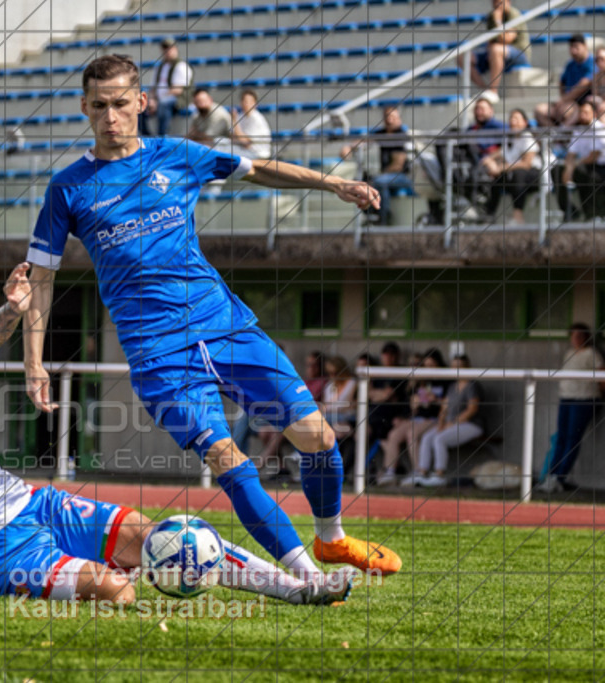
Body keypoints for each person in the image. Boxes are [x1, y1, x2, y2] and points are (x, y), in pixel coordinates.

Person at [23, 54, 401, 576]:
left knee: (320, 440)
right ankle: (308, 577)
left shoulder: (178, 155)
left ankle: (332, 540)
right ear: (85, 108)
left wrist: (332, 183)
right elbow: (41, 279)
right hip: (158, 353)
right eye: (99, 106)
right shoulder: (67, 188)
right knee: (230, 460)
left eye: (120, 104)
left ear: (142, 102)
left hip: (225, 326)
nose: (110, 116)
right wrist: (34, 363)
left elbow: (259, 169)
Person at [0, 266, 356, 604]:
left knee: (156, 536)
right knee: (116, 588)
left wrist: (14, 309)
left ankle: (300, 588)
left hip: (29, 503)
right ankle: (111, 576)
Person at [537, 323, 605, 493]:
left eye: (580, 336)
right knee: (561, 437)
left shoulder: (592, 354)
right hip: (566, 399)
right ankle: (551, 477)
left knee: (572, 439)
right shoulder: (569, 353)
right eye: (573, 335)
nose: (576, 339)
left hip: (584, 400)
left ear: (586, 337)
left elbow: (602, 376)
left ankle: (559, 478)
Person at [405, 355, 484, 487]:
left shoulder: (472, 385)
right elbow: (444, 408)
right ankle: (421, 473)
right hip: (450, 424)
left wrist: (451, 424)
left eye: (459, 367)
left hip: (471, 424)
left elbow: (472, 410)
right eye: (453, 367)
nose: (455, 370)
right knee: (427, 437)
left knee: (439, 439)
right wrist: (442, 423)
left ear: (467, 367)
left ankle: (439, 475)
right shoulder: (453, 386)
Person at [376, 348, 447, 486]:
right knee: (394, 435)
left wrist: (435, 400)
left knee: (411, 433)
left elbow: (449, 404)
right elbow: (413, 409)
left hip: (434, 419)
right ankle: (390, 471)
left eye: (432, 366)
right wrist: (414, 404)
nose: (428, 370)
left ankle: (418, 471)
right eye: (426, 366)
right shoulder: (422, 383)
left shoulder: (445, 381)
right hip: (417, 418)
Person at [341, 105, 413, 225]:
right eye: (387, 117)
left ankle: (383, 220)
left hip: (403, 177)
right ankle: (370, 214)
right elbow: (364, 141)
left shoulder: (401, 136)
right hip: (385, 176)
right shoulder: (382, 133)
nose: (389, 120)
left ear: (399, 119)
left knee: (379, 182)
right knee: (358, 182)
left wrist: (375, 178)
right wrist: (348, 147)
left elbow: (398, 166)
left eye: (393, 117)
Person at [459, 0, 530, 102]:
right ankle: (485, 90)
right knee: (462, 57)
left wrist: (498, 20)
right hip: (498, 52)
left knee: (496, 50)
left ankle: (493, 91)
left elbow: (506, 39)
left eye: (500, 2)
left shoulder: (513, 14)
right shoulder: (491, 16)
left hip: (518, 53)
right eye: (494, 2)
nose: (497, 5)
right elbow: (491, 41)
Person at [481, 108, 542, 223]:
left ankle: (518, 216)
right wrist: (490, 160)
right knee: (497, 178)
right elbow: (500, 153)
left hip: (535, 176)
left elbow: (526, 164)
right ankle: (489, 215)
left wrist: (501, 167)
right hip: (514, 175)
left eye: (516, 119)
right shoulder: (509, 138)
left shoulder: (528, 138)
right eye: (511, 119)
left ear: (525, 122)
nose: (513, 122)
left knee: (519, 174)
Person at [555, 100, 605, 220]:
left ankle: (592, 214)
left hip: (599, 168)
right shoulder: (578, 130)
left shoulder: (599, 129)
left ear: (594, 114)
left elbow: (594, 155)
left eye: (586, 112)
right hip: (583, 165)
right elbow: (571, 153)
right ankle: (570, 211)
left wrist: (573, 167)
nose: (583, 115)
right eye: (581, 112)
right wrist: (568, 169)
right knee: (556, 171)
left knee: (584, 173)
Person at [535, 34, 596, 128]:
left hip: (582, 103)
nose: (573, 51)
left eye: (576, 47)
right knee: (540, 110)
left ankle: (564, 135)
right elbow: (561, 81)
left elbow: (584, 84)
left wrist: (564, 99)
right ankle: (555, 136)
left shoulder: (592, 62)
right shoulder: (570, 64)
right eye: (571, 47)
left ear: (585, 46)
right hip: (566, 101)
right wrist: (563, 97)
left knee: (567, 110)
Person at [143, 37, 193, 138]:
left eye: (170, 48)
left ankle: (161, 137)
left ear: (175, 49)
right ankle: (147, 136)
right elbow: (153, 87)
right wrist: (152, 100)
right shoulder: (160, 67)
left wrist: (158, 100)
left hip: (179, 100)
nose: (167, 51)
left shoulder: (181, 66)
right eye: (165, 48)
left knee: (164, 104)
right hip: (161, 100)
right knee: (141, 105)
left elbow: (177, 90)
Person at [320, 356, 356, 442]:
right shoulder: (329, 385)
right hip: (331, 417)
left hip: (348, 417)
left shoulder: (352, 383)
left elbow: (344, 405)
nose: (332, 376)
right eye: (330, 373)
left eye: (335, 373)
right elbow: (325, 405)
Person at [231, 89, 272, 159]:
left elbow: (245, 142)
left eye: (250, 102)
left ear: (255, 104)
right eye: (245, 101)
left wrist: (234, 121)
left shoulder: (257, 119)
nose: (247, 104)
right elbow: (233, 138)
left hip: (258, 154)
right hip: (245, 150)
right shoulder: (241, 116)